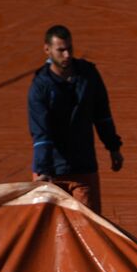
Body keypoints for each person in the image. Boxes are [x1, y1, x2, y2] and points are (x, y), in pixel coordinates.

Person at [27, 24, 124, 214]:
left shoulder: (88, 75)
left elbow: (102, 114)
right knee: (50, 231)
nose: (67, 55)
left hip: (83, 168)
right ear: (47, 50)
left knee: (90, 229)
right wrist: (43, 172)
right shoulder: (40, 87)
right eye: (61, 50)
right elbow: (41, 132)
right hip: (52, 173)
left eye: (69, 48)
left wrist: (113, 147)